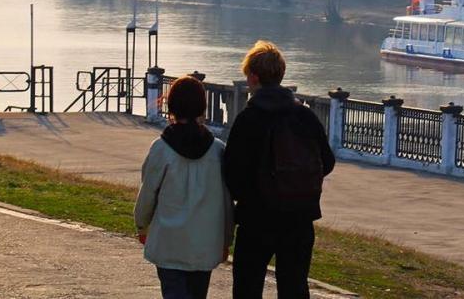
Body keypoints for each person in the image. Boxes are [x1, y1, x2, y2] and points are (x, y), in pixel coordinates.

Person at [224, 40, 336, 299]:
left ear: (253, 77)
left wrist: (250, 195)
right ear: (281, 75)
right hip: (299, 218)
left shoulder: (248, 119)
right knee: (295, 287)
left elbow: (232, 172)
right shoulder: (305, 116)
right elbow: (326, 162)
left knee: (247, 287)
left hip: (256, 219)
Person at [135, 75, 234, 299]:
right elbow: (226, 201)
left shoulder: (161, 148)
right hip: (205, 244)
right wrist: (227, 238)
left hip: (169, 242)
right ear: (202, 107)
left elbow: (148, 192)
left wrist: (142, 225)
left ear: (172, 106)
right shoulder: (218, 150)